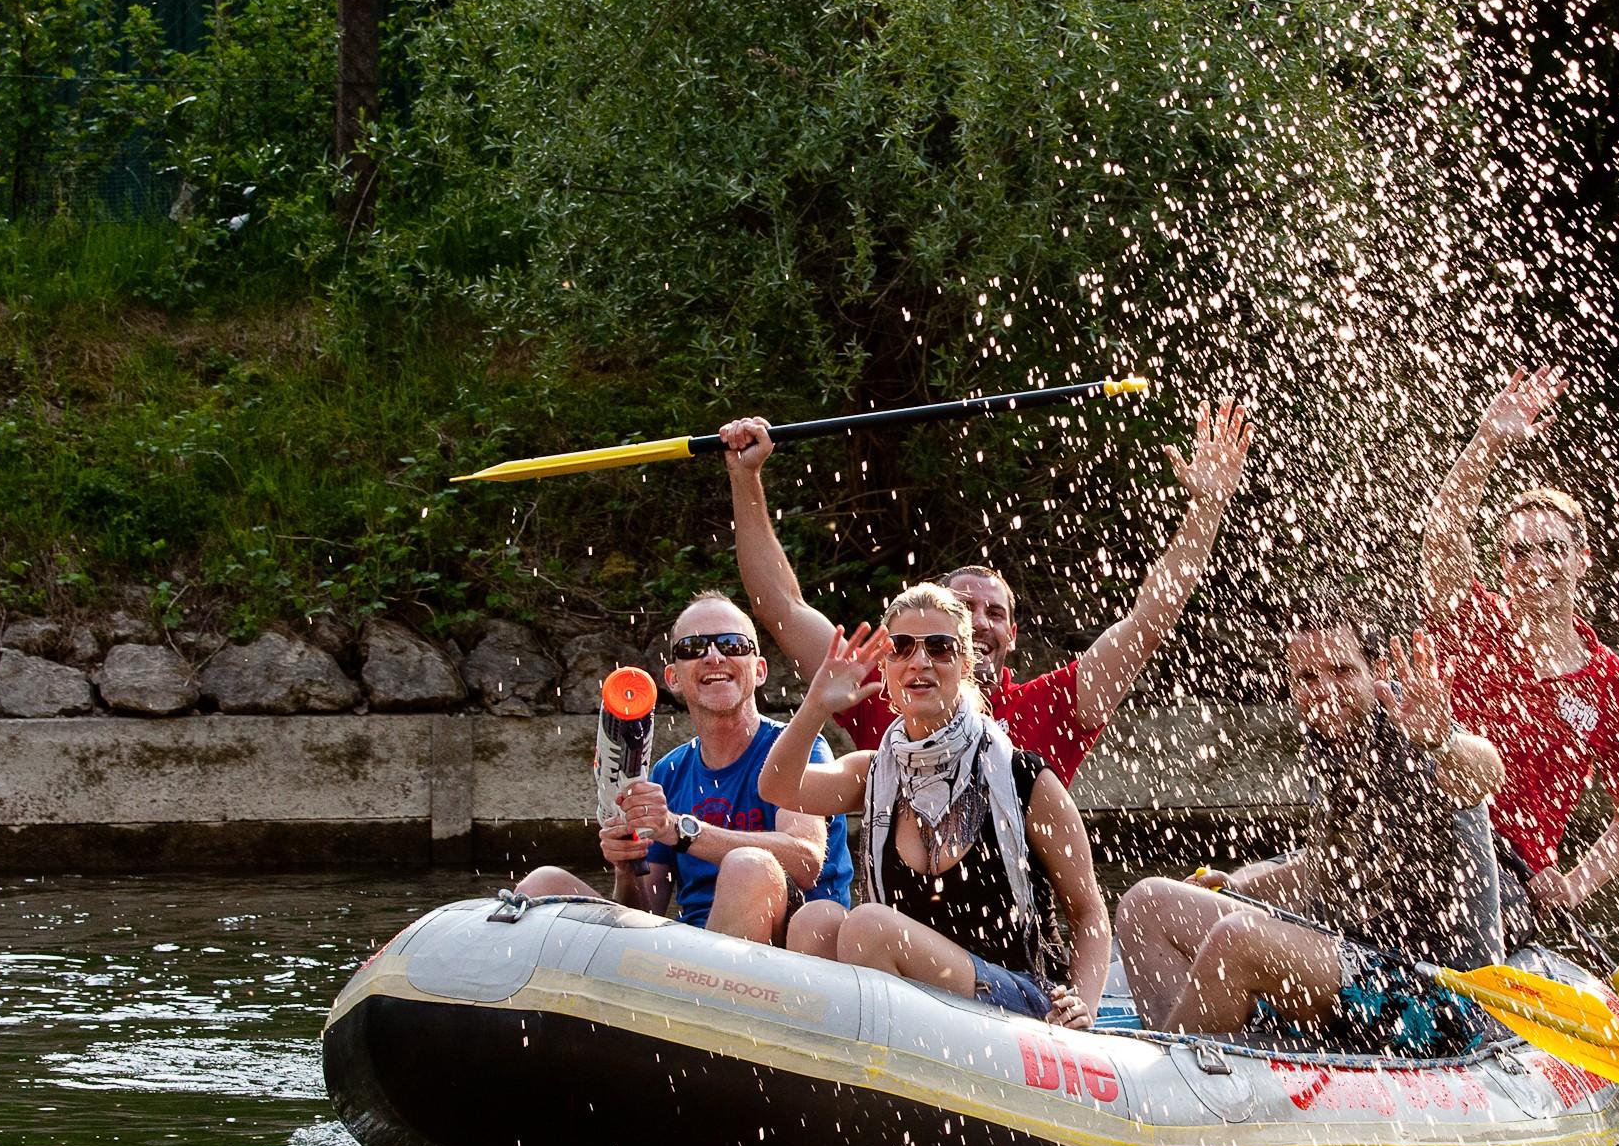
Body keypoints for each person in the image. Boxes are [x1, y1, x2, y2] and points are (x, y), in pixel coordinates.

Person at [718, 397, 1254, 785]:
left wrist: (1206, 509)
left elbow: (1147, 623)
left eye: (994, 612)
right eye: (964, 610)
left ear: (1013, 634)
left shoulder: (1054, 705)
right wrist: (746, 477)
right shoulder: (883, 687)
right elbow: (780, 608)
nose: (979, 622)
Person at [1115, 595, 1507, 1037]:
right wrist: (1237, 886)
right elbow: (1327, 866)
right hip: (1352, 960)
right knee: (1145, 903)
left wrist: (1439, 741)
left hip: (1443, 992)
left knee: (1237, 937)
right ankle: (1177, 1052)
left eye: (1341, 671)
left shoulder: (1411, 723)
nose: (1324, 690)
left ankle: (1173, 1070)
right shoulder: (1330, 744)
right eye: (1306, 677)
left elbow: (1485, 774)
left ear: (1376, 672)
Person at [757, 584, 1112, 1029]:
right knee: (816, 921)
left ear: (965, 664)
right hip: (920, 1000)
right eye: (902, 648)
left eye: (939, 648)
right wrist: (816, 704)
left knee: (869, 926)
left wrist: (1085, 1005)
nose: (919, 662)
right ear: (885, 670)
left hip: (1021, 998)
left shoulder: (1023, 779)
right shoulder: (873, 773)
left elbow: (1088, 911)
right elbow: (777, 787)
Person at [1421, 364, 1619, 911]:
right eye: (1519, 551)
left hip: (1511, 872)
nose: (1535, 564)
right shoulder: (1472, 621)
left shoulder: (1616, 684)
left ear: (1582, 560)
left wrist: (1572, 885)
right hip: (1426, 839)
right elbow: (1444, 528)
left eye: (1551, 549)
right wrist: (1489, 439)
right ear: (1502, 563)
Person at [514, 592, 851, 943]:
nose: (714, 657)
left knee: (748, 865)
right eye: (693, 648)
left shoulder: (799, 749)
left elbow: (807, 861)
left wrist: (679, 830)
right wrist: (627, 866)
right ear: (673, 678)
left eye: (733, 645)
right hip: (691, 952)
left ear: (760, 669)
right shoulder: (669, 771)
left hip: (786, 952)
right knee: (543, 883)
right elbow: (644, 913)